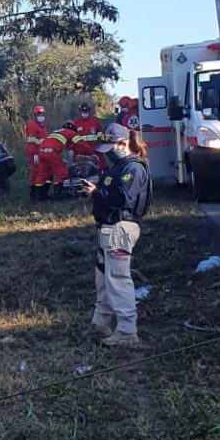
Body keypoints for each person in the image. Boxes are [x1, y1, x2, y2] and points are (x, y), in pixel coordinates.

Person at [84, 122, 152, 348]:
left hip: (121, 229)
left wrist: (97, 192)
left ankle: (126, 330)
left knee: (118, 279)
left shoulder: (133, 168)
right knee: (103, 277)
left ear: (123, 143)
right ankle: (100, 322)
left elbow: (123, 199)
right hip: (109, 227)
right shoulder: (120, 167)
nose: (108, 154)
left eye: (111, 148)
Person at [34, 122, 77, 200]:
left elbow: (52, 146)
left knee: (43, 174)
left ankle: (38, 196)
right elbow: (80, 144)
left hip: (42, 152)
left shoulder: (55, 133)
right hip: (52, 153)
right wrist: (88, 152)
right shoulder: (70, 132)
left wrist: (60, 159)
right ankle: (58, 195)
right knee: (62, 173)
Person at [25, 105, 48, 197]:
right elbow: (31, 141)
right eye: (39, 114)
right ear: (35, 115)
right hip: (34, 152)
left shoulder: (42, 125)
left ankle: (40, 192)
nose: (41, 116)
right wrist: (35, 154)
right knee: (35, 171)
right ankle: (33, 192)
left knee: (41, 171)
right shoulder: (32, 126)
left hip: (41, 151)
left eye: (42, 114)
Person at [71, 102, 104, 167]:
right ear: (80, 111)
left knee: (99, 165)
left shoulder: (96, 122)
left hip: (94, 149)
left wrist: (99, 146)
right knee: (79, 167)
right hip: (80, 151)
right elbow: (72, 137)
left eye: (86, 111)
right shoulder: (76, 123)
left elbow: (100, 135)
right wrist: (72, 149)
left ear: (89, 111)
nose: (85, 113)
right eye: (83, 111)